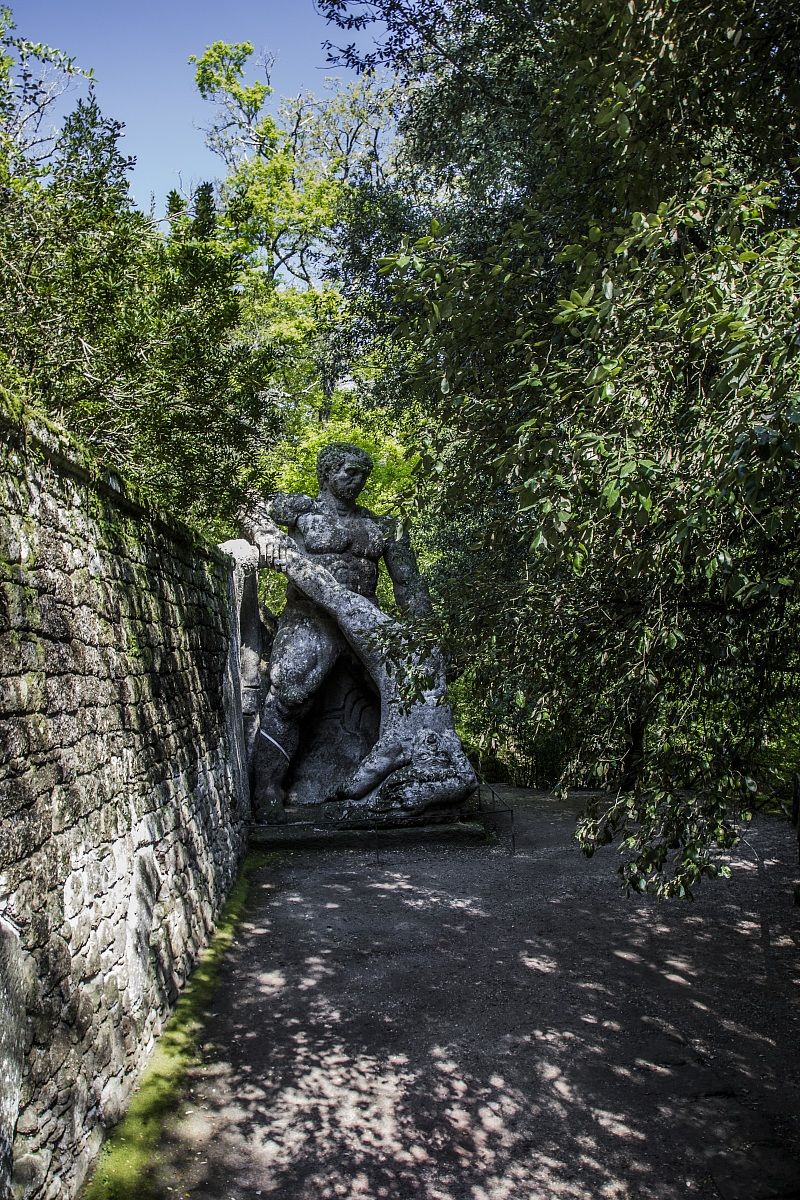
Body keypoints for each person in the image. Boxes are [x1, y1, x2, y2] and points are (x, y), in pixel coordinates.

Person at [244, 442, 431, 820]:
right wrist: (267, 536)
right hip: (311, 616)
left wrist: (425, 634)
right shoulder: (302, 512)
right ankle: (267, 789)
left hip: (366, 620)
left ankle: (400, 781)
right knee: (291, 691)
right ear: (327, 473)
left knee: (406, 690)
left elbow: (408, 585)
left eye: (363, 473)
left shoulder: (381, 526)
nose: (357, 480)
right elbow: (249, 507)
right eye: (349, 471)